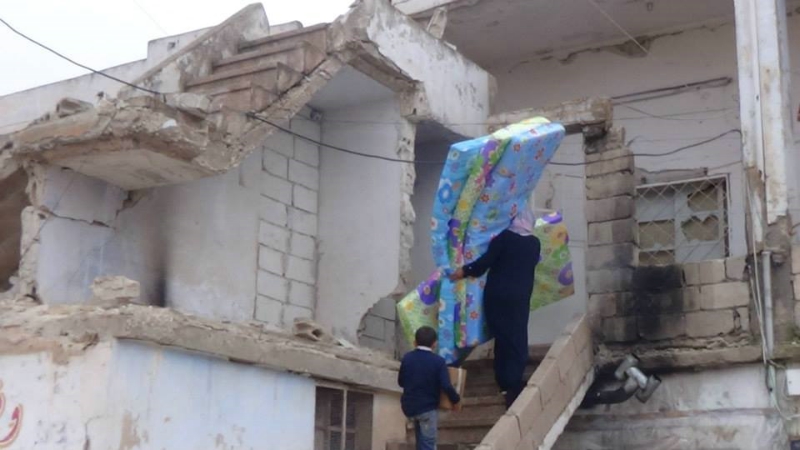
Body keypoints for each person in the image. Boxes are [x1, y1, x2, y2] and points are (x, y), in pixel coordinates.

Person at [449, 208, 541, 408]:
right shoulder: (535, 243)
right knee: (517, 337)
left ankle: (506, 383)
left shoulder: (504, 238)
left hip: (497, 296)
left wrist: (464, 271)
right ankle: (512, 382)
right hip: (520, 298)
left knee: (502, 337)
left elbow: (485, 262)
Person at [398, 326, 461, 450]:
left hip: (409, 407)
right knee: (428, 444)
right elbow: (446, 385)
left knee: (420, 442)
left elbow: (401, 382)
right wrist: (456, 399)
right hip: (427, 408)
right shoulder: (438, 361)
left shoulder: (407, 358)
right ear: (434, 344)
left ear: (415, 342)